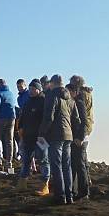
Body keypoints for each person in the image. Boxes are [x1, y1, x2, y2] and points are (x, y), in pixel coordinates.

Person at [39, 74, 82, 205]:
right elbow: (77, 120)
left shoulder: (52, 96)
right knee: (66, 166)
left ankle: (60, 195)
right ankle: (69, 195)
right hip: (68, 136)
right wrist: (75, 135)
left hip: (55, 135)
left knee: (56, 166)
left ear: (53, 83)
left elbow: (49, 117)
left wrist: (42, 133)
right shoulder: (70, 99)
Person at [16, 80, 50, 195]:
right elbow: (22, 116)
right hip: (28, 136)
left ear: (38, 89)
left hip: (41, 137)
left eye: (32, 89)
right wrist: (20, 128)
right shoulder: (28, 102)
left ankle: (45, 184)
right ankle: (22, 182)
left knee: (44, 160)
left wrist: (44, 133)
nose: (30, 91)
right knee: (26, 159)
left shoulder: (44, 102)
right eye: (29, 89)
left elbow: (47, 119)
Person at [66, 83, 90, 201]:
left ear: (74, 92)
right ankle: (76, 191)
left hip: (79, 139)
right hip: (74, 138)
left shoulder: (79, 103)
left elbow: (84, 122)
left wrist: (79, 138)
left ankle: (84, 192)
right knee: (75, 165)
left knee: (80, 165)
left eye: (69, 91)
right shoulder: (72, 103)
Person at [0, 78, 17, 174]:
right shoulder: (11, 93)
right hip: (12, 118)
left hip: (1, 118)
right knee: (9, 140)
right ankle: (9, 162)